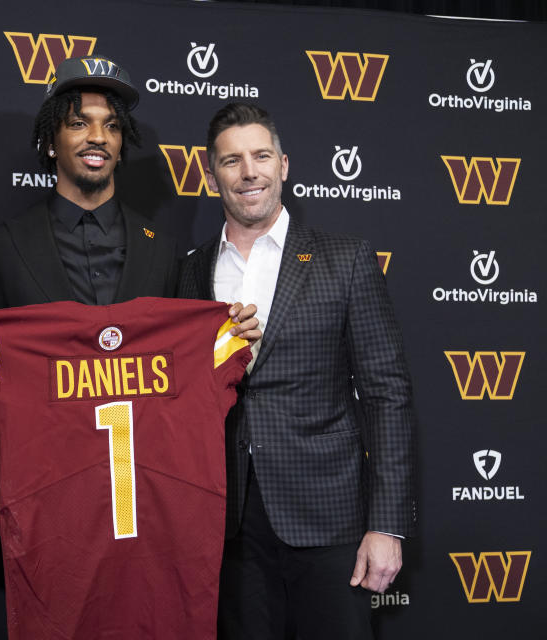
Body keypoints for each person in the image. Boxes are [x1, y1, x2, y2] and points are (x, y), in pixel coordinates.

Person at [0, 57, 261, 637]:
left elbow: (186, 380)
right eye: (79, 123)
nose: (97, 138)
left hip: (151, 525)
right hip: (50, 524)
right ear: (51, 137)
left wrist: (228, 333)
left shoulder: (166, 251)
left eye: (110, 125)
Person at [178, 102, 416, 640]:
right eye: (231, 160)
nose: (249, 172)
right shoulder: (189, 270)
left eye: (261, 156)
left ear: (283, 166)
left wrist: (387, 524)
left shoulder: (345, 259)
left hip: (328, 518)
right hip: (226, 524)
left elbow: (386, 395)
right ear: (209, 172)